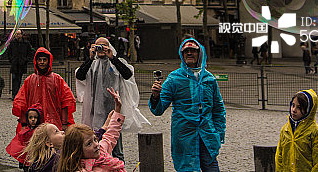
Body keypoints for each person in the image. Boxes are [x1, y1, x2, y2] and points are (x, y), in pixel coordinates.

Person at [149, 38, 226, 172]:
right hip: (184, 136)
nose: (189, 54)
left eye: (193, 51)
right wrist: (156, 96)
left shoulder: (210, 79)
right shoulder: (174, 79)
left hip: (207, 135)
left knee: (212, 167)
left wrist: (218, 134)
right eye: (186, 51)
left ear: (199, 54)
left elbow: (218, 110)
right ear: (182, 54)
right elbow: (158, 110)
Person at [75, 37, 148, 161]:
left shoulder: (116, 62)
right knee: (96, 142)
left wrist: (112, 58)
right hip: (95, 110)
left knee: (116, 145)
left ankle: (118, 166)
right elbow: (80, 75)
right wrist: (90, 57)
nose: (101, 49)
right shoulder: (91, 63)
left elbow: (127, 74)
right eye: (98, 46)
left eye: (104, 46)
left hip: (112, 109)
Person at [56, 88, 125, 172]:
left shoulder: (101, 150)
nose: (96, 144)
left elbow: (110, 135)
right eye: (89, 144)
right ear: (77, 151)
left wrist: (117, 109)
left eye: (95, 139)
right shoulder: (84, 169)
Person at [13, 47, 76, 132]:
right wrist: (24, 123)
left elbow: (66, 101)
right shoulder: (30, 80)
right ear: (36, 61)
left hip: (54, 121)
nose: (42, 62)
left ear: (49, 61)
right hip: (34, 122)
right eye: (39, 60)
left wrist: (64, 123)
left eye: (44, 60)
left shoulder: (57, 79)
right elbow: (22, 103)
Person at [275, 89, 318, 172]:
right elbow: (279, 158)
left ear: (308, 110)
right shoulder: (285, 130)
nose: (294, 110)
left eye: (299, 107)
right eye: (293, 105)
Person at [8, 31, 33, 98]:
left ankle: (17, 94)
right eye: (16, 34)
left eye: (18, 34)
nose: (17, 35)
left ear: (21, 35)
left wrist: (25, 60)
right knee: (14, 79)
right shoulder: (12, 43)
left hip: (22, 64)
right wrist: (12, 60)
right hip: (14, 64)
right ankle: (14, 94)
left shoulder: (26, 43)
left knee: (19, 79)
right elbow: (9, 53)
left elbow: (30, 53)